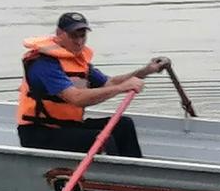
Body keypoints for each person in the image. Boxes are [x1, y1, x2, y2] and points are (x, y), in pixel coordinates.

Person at [16, 12, 170, 157]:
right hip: (39, 133)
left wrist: (146, 71)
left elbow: (109, 82)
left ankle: (137, 173)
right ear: (59, 34)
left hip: (67, 127)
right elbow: (76, 98)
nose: (79, 41)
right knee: (101, 139)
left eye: (82, 35)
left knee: (123, 125)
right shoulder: (43, 64)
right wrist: (120, 88)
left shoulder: (77, 60)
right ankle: (118, 179)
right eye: (73, 36)